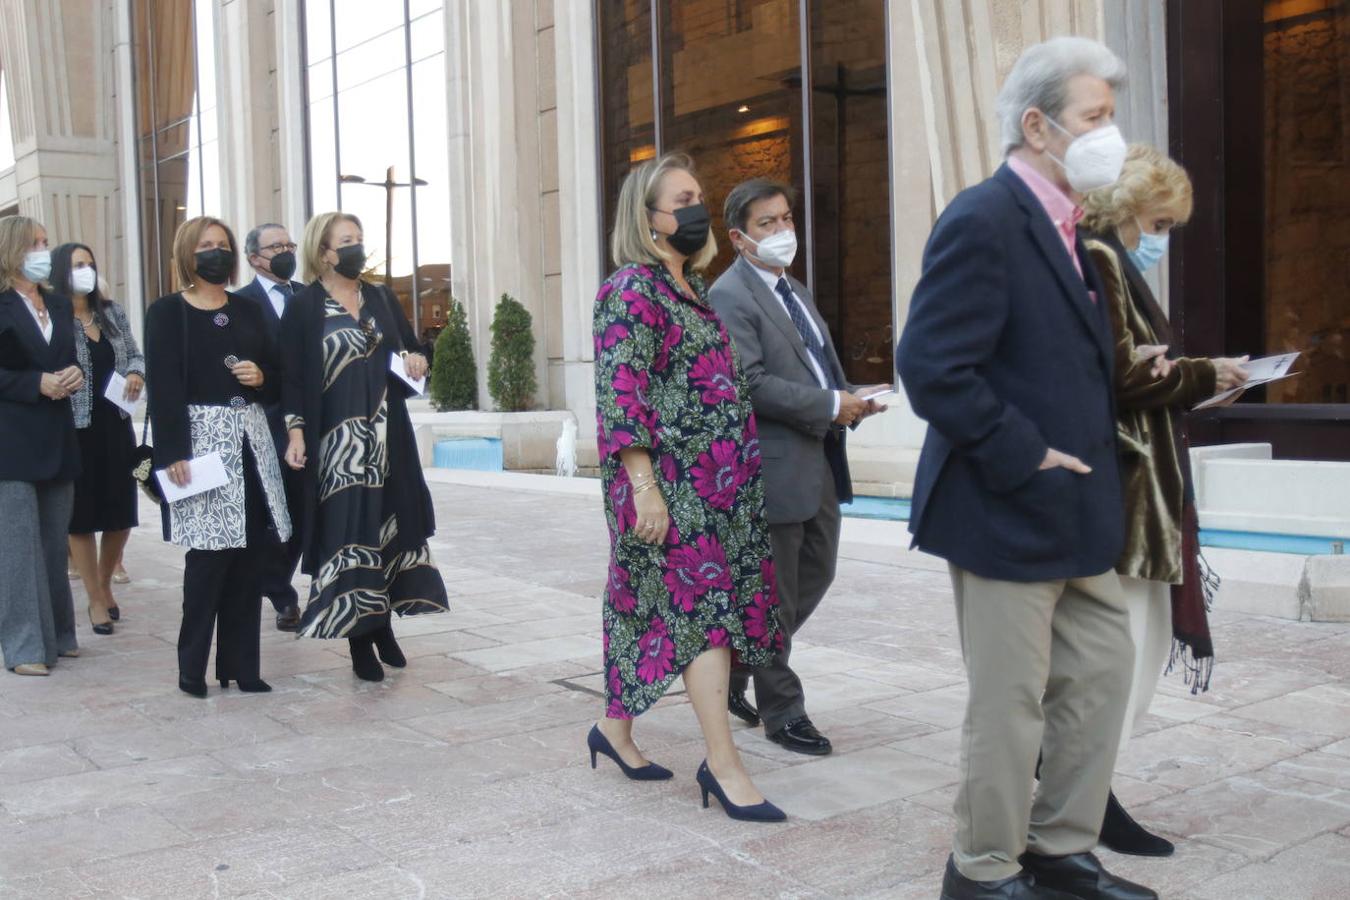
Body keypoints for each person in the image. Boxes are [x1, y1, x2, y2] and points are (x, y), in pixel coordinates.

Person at [897, 38, 1157, 900]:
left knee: (1100, 676)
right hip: (1006, 503)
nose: (1109, 135)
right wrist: (1025, 452)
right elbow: (932, 365)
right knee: (1011, 703)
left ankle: (1060, 848)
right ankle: (983, 870)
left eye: (1111, 117)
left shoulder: (1069, 224)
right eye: (1095, 117)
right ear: (1039, 125)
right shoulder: (984, 216)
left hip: (1077, 507)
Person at [590, 152, 785, 822]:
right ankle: (723, 766)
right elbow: (622, 394)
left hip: (717, 489)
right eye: (682, 199)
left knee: (652, 609)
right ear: (646, 220)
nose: (697, 209)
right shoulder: (630, 291)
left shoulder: (693, 290)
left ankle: (613, 731)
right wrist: (644, 487)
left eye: (700, 195)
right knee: (706, 619)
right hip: (667, 486)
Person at [1080, 144, 1249, 857]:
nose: (1163, 238)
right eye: (1160, 222)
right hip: (1127, 496)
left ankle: (1085, 794)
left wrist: (1194, 378)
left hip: (1138, 490)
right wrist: (1203, 374)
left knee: (1125, 659)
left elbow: (1134, 372)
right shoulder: (1102, 257)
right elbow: (1121, 375)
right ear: (1126, 211)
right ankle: (1084, 801)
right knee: (1123, 660)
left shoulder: (1104, 258)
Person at [709, 177, 885, 755]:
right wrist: (832, 405)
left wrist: (851, 396)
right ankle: (783, 710)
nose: (784, 232)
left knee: (817, 574)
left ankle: (736, 664)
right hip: (772, 467)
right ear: (739, 237)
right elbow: (749, 382)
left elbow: (814, 371)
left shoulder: (793, 289)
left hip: (819, 461)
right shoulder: (730, 295)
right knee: (776, 594)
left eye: (786, 219)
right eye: (768, 223)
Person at [280, 212, 448, 682]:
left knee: (388, 531)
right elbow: (292, 377)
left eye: (360, 239)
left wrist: (416, 359)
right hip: (337, 445)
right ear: (324, 252)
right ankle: (360, 642)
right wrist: (295, 432)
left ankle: (383, 627)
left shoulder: (378, 296)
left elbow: (409, 349)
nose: (356, 247)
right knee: (349, 537)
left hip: (388, 437)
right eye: (346, 241)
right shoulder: (304, 306)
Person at [145, 216, 291, 698]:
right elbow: (164, 387)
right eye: (206, 245)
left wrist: (261, 378)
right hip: (201, 446)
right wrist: (172, 453)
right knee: (208, 561)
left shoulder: (248, 310)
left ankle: (242, 667)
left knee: (250, 557)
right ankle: (192, 669)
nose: (216, 253)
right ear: (189, 254)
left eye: (223, 245)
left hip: (249, 441)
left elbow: (276, 370)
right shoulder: (168, 312)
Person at [0, 215, 83, 675]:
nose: (43, 252)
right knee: (17, 550)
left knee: (54, 545)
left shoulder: (59, 304)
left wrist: (73, 374)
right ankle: (25, 647)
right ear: (12, 250)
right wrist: (36, 383)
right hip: (10, 442)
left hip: (58, 436)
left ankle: (61, 635)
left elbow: (69, 359)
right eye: (35, 243)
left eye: (46, 242)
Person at [51, 243, 144, 633]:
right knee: (82, 517)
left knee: (120, 514)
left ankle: (105, 583)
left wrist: (138, 373)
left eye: (90, 263)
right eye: (77, 265)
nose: (85, 270)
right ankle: (93, 599)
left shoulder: (111, 312)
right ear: (60, 272)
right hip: (76, 428)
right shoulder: (53, 317)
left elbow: (135, 354)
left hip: (116, 421)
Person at [237, 223, 306, 631]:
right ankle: (281, 594)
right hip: (266, 418)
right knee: (273, 510)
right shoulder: (241, 303)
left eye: (288, 244)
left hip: (309, 418)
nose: (284, 251)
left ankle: (276, 581)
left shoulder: (308, 297)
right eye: (275, 245)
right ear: (253, 258)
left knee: (301, 510)